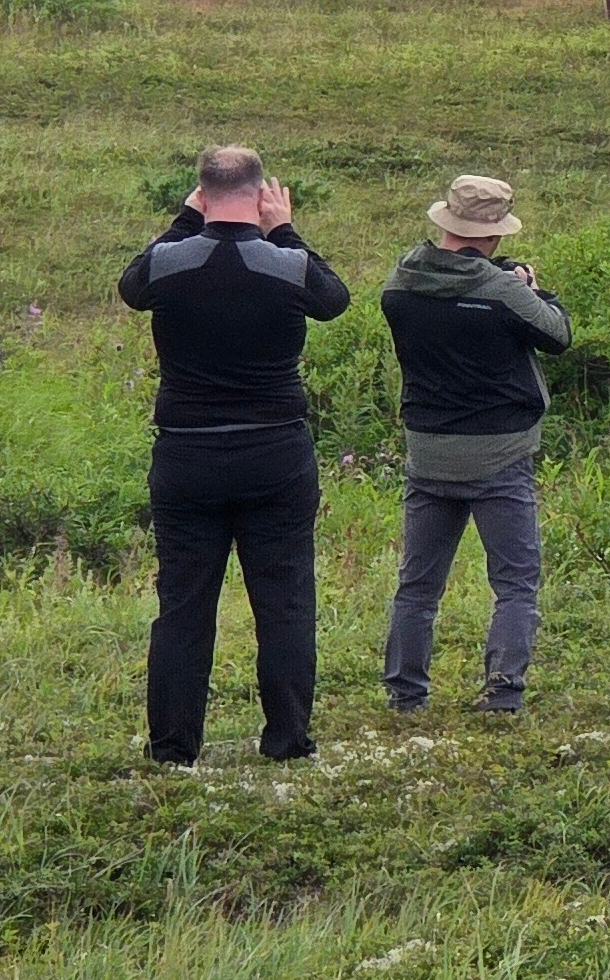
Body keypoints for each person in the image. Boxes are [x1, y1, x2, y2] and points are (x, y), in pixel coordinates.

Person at [118, 145, 350, 765]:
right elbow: (334, 298)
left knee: (183, 607)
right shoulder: (286, 265)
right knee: (285, 601)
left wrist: (184, 219)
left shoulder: (169, 262)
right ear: (260, 192)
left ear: (200, 192)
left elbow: (131, 285)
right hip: (275, 452)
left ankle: (174, 748)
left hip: (187, 456)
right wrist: (285, 229)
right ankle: (287, 739)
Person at [380, 173, 570, 721]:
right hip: (500, 451)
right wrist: (533, 289)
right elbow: (557, 335)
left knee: (418, 583)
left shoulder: (400, 284)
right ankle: (503, 690)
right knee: (515, 582)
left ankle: (406, 693)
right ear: (494, 234)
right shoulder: (501, 291)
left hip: (428, 449)